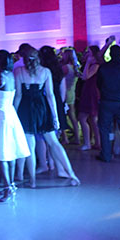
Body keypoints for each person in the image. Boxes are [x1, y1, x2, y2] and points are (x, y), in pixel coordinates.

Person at [14, 46, 80, 187]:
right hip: (42, 108)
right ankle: (72, 174)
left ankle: (32, 181)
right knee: (54, 143)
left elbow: (18, 95)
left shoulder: (19, 72)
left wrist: (13, 113)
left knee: (29, 146)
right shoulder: (46, 72)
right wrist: (55, 116)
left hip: (25, 110)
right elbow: (50, 96)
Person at [0, 50, 30, 200]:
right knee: (11, 151)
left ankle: (7, 187)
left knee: (1, 153)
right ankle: (11, 184)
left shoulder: (0, 76)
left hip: (0, 116)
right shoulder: (11, 75)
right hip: (10, 113)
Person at [77, 46, 101, 151]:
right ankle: (97, 142)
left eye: (89, 52)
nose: (87, 53)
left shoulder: (95, 65)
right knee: (92, 119)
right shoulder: (94, 64)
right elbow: (84, 76)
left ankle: (88, 142)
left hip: (91, 92)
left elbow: (86, 77)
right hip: (89, 90)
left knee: (83, 117)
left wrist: (87, 63)